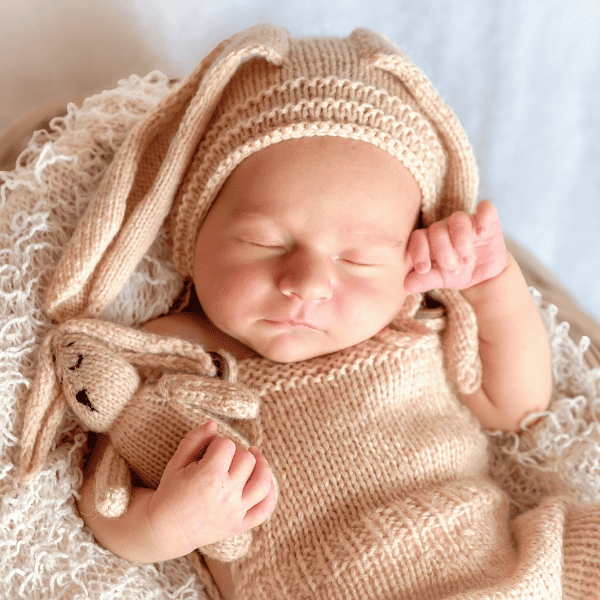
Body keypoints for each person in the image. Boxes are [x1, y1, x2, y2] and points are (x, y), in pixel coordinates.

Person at [62, 24, 597, 600]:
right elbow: (105, 505)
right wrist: (166, 524)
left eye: (359, 260)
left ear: (406, 261)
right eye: (266, 242)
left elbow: (519, 405)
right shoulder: (175, 361)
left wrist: (493, 286)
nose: (308, 284)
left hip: (522, 573)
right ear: (193, 234)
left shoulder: (414, 326)